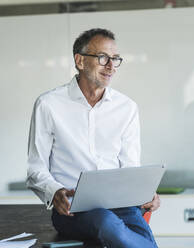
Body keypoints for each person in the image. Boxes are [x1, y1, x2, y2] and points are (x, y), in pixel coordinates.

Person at [26, 28, 160, 248]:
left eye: (115, 59)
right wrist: (54, 191)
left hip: (122, 207)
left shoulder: (127, 108)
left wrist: (144, 192)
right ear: (80, 60)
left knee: (142, 239)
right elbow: (35, 169)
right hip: (73, 211)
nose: (111, 66)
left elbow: (130, 166)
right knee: (105, 221)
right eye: (103, 57)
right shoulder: (48, 105)